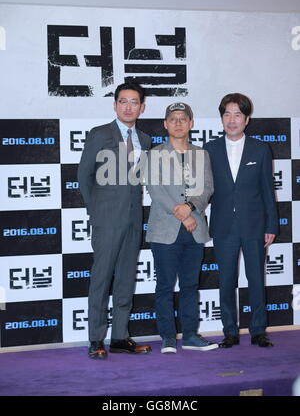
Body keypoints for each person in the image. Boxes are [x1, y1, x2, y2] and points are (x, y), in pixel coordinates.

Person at [78, 81, 152, 359]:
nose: (128, 106)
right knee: (101, 279)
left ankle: (120, 337)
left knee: (125, 280)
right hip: (106, 220)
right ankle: (96, 339)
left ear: (141, 107)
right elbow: (83, 176)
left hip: (134, 219)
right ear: (115, 105)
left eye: (134, 102)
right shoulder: (99, 134)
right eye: (123, 101)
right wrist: (96, 212)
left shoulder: (144, 140)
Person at [204, 93, 278, 348]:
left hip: (254, 225)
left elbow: (268, 190)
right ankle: (230, 331)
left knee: (256, 279)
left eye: (237, 114)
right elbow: (204, 189)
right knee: (226, 280)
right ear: (222, 118)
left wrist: (271, 225)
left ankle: (258, 330)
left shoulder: (260, 149)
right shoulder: (210, 149)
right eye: (227, 114)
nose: (232, 119)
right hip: (224, 226)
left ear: (247, 119)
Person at [146, 102, 218, 353]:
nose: (178, 122)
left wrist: (190, 207)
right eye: (173, 119)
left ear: (191, 123)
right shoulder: (154, 154)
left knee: (190, 286)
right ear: (166, 124)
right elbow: (155, 190)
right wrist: (182, 214)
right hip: (165, 230)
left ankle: (190, 335)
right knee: (165, 286)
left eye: (183, 118)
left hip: (194, 229)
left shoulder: (202, 154)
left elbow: (207, 188)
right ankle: (167, 338)